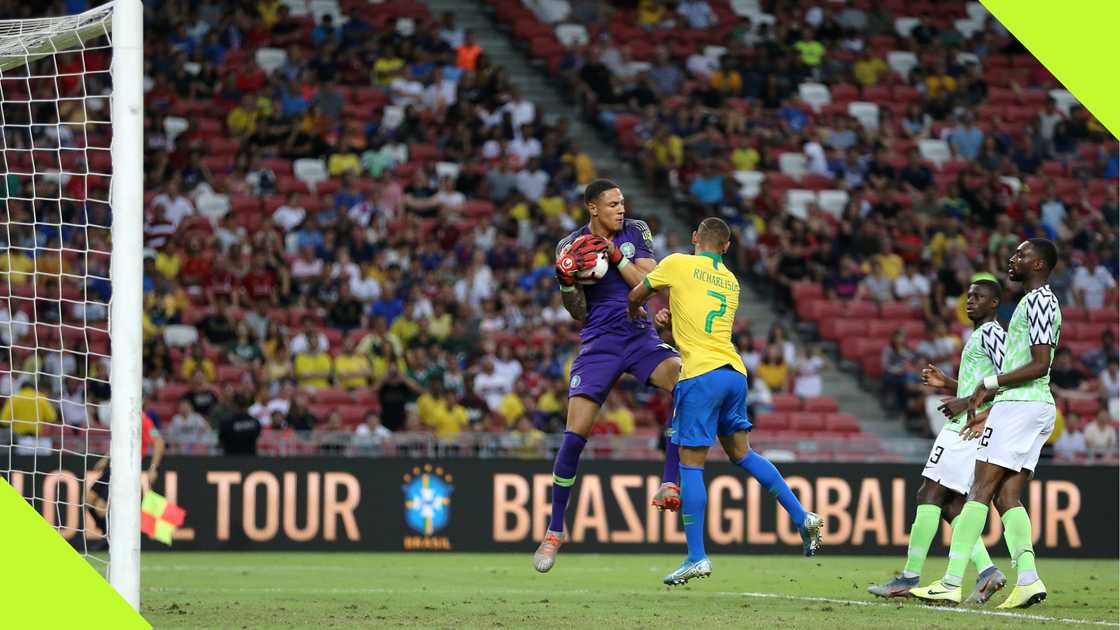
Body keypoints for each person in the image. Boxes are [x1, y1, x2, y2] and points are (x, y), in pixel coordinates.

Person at [627, 217, 822, 585]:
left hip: (700, 374)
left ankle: (696, 556)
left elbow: (637, 293)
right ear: (727, 248)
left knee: (690, 464)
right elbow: (700, 321)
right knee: (743, 454)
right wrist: (672, 324)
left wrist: (641, 316)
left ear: (695, 238)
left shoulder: (679, 263)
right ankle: (802, 516)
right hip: (734, 372)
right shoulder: (731, 281)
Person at [532, 179, 683, 574]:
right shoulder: (569, 246)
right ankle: (554, 531)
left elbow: (647, 285)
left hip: (639, 336)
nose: (621, 208)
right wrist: (567, 282)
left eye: (622, 201)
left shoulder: (636, 231)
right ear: (592, 208)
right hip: (599, 344)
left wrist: (615, 256)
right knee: (573, 437)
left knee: (686, 384)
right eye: (612, 203)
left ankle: (670, 481)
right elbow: (577, 311)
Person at [912, 239, 1062, 608]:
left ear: (1039, 264)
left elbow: (1040, 364)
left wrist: (987, 385)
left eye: (1022, 255)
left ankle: (950, 582)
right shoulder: (1030, 302)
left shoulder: (1040, 299)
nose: (1013, 259)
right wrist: (968, 389)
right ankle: (1028, 579)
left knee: (978, 490)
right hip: (1032, 407)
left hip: (1021, 406)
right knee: (1006, 496)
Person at [869, 277, 1007, 603]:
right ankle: (987, 571)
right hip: (967, 422)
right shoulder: (979, 334)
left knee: (929, 492)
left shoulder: (992, 334)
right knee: (951, 504)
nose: (970, 301)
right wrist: (949, 384)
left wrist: (974, 409)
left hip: (967, 427)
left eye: (979, 297)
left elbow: (1010, 382)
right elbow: (983, 385)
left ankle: (909, 576)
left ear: (994, 303)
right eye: (968, 296)